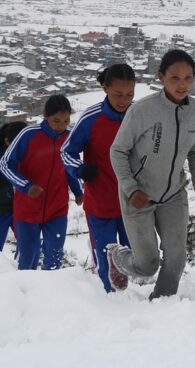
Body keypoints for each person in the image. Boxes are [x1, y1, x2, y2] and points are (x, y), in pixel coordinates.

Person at [107, 49, 195, 299]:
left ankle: (161, 307)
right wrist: (131, 189)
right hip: (139, 195)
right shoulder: (143, 110)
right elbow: (118, 151)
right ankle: (116, 256)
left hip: (174, 193)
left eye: (188, 78)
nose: (182, 84)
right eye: (175, 78)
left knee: (176, 260)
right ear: (161, 77)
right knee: (147, 266)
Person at [61, 64, 135, 292]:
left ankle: (133, 296)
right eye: (118, 94)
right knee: (107, 257)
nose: (124, 100)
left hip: (132, 202)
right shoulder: (92, 118)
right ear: (105, 88)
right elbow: (66, 151)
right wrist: (81, 170)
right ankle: (110, 300)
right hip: (100, 201)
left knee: (136, 254)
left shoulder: (137, 115)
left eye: (130, 94)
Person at [0, 95, 83, 270]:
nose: (61, 126)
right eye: (56, 120)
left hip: (57, 209)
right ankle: (27, 295)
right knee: (28, 260)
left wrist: (77, 190)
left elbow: (69, 166)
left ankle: (52, 295)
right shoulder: (28, 135)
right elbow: (5, 164)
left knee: (54, 258)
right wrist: (26, 186)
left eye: (66, 121)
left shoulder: (69, 138)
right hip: (28, 210)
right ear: (45, 115)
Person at [0, 121, 27, 251]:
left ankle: (25, 270)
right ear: (7, 141)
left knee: (29, 244)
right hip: (3, 207)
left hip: (20, 206)